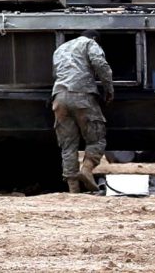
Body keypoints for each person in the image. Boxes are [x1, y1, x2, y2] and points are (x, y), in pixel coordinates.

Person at [51, 29, 113, 193]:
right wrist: (108, 89)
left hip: (59, 97)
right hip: (83, 96)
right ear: (95, 38)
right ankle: (86, 169)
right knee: (96, 139)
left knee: (68, 145)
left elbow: (56, 74)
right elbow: (100, 64)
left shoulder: (60, 49)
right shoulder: (90, 43)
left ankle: (73, 189)